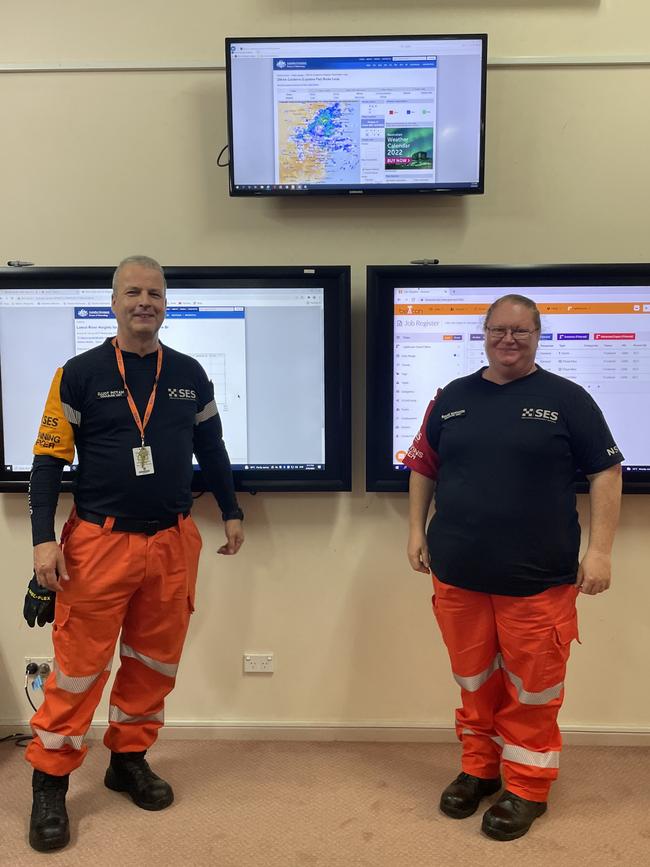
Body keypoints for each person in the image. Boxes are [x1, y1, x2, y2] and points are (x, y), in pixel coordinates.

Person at [25, 255, 244, 852]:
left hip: (173, 542)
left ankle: (128, 760)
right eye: (133, 292)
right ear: (114, 301)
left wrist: (231, 509)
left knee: (154, 663)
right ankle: (50, 784)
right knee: (78, 670)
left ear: (165, 302)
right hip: (98, 542)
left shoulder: (190, 373)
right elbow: (46, 463)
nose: (144, 301)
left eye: (154, 292)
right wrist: (44, 537)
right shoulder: (78, 373)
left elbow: (213, 446)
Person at [403, 294, 622, 841]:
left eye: (521, 331)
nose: (509, 339)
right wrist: (414, 530)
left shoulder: (568, 399)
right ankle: (479, 769)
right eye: (499, 329)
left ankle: (526, 787)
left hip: (538, 578)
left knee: (533, 690)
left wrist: (599, 551)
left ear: (538, 335)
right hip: (457, 571)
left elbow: (606, 472)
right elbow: (423, 466)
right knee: (474, 683)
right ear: (484, 332)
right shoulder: (452, 398)